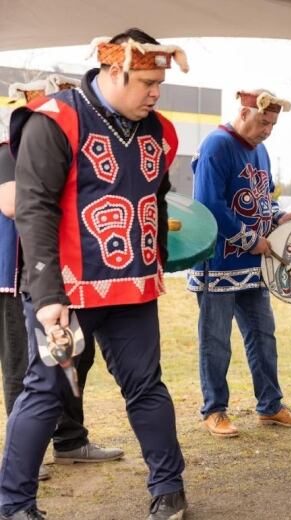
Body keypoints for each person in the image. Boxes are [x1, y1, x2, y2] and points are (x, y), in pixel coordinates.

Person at [3, 29, 189, 519]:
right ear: (113, 70)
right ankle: (14, 505)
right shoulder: (55, 120)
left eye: (160, 83)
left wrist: (161, 257)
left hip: (133, 290)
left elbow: (157, 197)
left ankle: (169, 489)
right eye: (146, 81)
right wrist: (45, 295)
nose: (154, 92)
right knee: (44, 393)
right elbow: (34, 209)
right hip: (66, 291)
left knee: (147, 387)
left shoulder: (160, 131)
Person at [1, 78, 125, 485]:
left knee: (73, 357)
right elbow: (14, 203)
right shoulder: (12, 146)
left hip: (68, 273)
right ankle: (26, 457)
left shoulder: (74, 148)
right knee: (28, 366)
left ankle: (70, 440)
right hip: (16, 274)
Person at [187, 88, 291, 437]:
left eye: (272, 124)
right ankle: (214, 410)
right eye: (263, 122)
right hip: (218, 265)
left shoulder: (261, 151)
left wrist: (278, 217)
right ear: (243, 112)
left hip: (254, 266)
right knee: (215, 340)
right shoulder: (216, 145)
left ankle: (270, 406)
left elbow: (261, 200)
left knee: (263, 336)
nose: (267, 130)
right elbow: (209, 205)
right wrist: (250, 240)